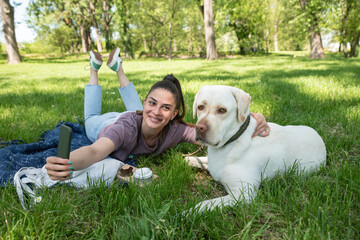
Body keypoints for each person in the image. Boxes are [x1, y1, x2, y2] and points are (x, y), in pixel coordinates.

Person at [45, 48, 270, 181]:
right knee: (92, 116)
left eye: (167, 108)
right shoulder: (124, 130)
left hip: (136, 116)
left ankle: (118, 66)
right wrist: (67, 164)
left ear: (174, 115)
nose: (158, 110)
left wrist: (252, 118)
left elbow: (212, 132)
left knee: (148, 115)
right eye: (151, 102)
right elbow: (94, 151)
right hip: (105, 124)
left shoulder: (176, 130)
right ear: (145, 102)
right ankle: (95, 68)